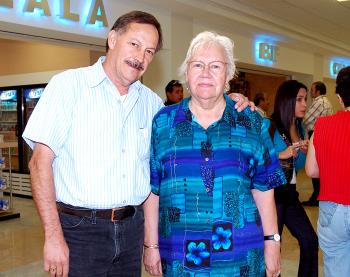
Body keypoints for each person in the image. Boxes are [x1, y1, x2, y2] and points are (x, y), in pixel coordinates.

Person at [22, 11, 251, 277]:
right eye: (135, 44)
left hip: (132, 231)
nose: (141, 57)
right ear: (112, 39)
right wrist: (52, 237)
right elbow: (39, 163)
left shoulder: (152, 105)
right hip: (79, 231)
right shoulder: (69, 86)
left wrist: (230, 100)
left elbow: (196, 116)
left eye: (150, 51)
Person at [143, 31, 286, 277]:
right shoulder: (163, 123)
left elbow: (264, 189)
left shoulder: (251, 122)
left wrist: (272, 241)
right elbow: (153, 190)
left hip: (240, 258)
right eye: (198, 64)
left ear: (228, 75)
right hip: (179, 258)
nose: (206, 72)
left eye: (216, 66)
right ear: (186, 72)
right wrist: (150, 244)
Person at [267, 80, 318, 277]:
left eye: (306, 99)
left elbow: (298, 167)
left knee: (310, 241)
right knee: (273, 250)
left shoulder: (299, 128)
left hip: (290, 195)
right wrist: (281, 154)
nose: (305, 104)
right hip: (272, 196)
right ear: (287, 101)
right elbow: (256, 158)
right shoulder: (269, 125)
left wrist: (305, 152)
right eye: (299, 100)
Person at [305, 66, 350, 277]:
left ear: (340, 97)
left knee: (336, 267)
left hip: (331, 210)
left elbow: (312, 170)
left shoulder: (322, 125)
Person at [302, 81, 333, 207]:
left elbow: (306, 119)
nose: (310, 92)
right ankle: (319, 195)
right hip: (326, 136)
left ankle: (316, 197)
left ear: (318, 91)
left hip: (317, 135)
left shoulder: (319, 102)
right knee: (321, 166)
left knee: (314, 167)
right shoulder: (328, 102)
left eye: (312, 89)